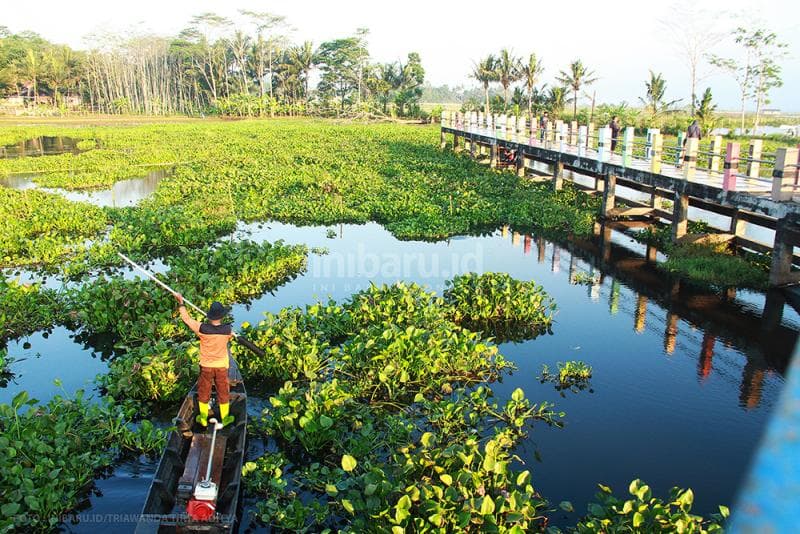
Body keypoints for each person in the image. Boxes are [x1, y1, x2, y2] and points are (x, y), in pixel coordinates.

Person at [175, 294, 234, 428]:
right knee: (223, 391)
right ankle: (225, 418)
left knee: (204, 390)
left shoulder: (201, 328)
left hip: (206, 366)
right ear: (222, 316)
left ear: (209, 316)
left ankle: (202, 418)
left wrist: (181, 303)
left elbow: (186, 319)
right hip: (221, 367)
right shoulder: (227, 330)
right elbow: (229, 335)